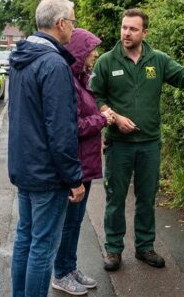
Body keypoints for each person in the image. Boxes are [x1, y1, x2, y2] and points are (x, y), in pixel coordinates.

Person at [90, 8, 184, 271]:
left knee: (147, 197)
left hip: (149, 144)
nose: (126, 33)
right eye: (124, 27)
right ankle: (113, 250)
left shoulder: (157, 60)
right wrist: (114, 116)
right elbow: (96, 98)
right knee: (115, 198)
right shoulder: (107, 62)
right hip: (118, 145)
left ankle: (145, 247)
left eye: (133, 29)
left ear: (145, 32)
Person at [8, 0, 86, 297]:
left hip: (24, 166)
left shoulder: (21, 58)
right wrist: (74, 178)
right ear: (61, 23)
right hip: (46, 173)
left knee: (25, 239)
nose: (74, 27)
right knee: (42, 247)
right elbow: (61, 130)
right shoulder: (53, 64)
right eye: (73, 21)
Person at [51, 29, 115, 296]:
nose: (96, 54)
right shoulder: (70, 83)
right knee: (67, 223)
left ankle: (71, 267)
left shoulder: (81, 78)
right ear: (79, 52)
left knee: (75, 222)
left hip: (85, 165)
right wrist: (103, 120)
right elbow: (72, 126)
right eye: (91, 50)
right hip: (74, 166)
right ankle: (60, 274)